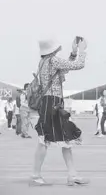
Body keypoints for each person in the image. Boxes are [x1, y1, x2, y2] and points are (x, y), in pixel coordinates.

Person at [32, 36, 88, 186]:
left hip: (50, 103)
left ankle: (72, 174)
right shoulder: (53, 60)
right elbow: (78, 65)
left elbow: (65, 68)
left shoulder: (44, 62)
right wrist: (82, 51)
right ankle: (36, 175)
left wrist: (73, 53)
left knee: (64, 139)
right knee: (46, 140)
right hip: (53, 103)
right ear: (53, 48)